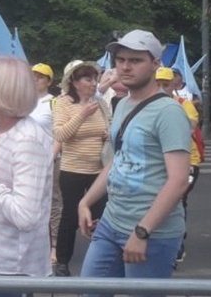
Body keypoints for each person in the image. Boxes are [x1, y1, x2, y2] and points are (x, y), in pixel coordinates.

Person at [78, 30, 192, 288]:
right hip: (110, 222)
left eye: (135, 60)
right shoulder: (123, 104)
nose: (125, 67)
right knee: (88, 290)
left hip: (153, 231)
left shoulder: (169, 112)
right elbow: (118, 161)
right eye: (120, 60)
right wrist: (85, 201)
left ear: (155, 64)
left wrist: (143, 231)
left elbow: (178, 180)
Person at [0, 57, 54, 294]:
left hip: (9, 271)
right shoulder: (3, 131)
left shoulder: (26, 139)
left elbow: (25, 217)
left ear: (6, 90)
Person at [52, 60, 111, 277]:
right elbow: (60, 135)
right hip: (72, 170)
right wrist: (81, 115)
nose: (94, 83)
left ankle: (100, 261)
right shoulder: (63, 103)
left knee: (101, 216)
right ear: (75, 83)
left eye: (95, 79)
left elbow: (111, 125)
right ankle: (62, 261)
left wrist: (109, 133)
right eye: (88, 79)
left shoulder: (101, 103)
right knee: (69, 216)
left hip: (98, 170)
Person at [155, 67, 202, 265]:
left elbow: (189, 126)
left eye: (165, 84)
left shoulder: (184, 104)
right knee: (159, 201)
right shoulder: (147, 105)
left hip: (188, 162)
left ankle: (177, 245)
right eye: (157, 84)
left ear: (174, 85)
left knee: (176, 201)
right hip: (160, 162)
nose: (161, 88)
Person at [30, 62, 61, 264]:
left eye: (40, 77)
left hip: (49, 159)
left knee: (53, 203)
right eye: (33, 76)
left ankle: (55, 246)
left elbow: (59, 134)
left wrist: (51, 155)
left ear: (48, 81)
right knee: (31, 202)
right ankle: (35, 244)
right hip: (28, 159)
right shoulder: (25, 102)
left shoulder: (54, 103)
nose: (35, 80)